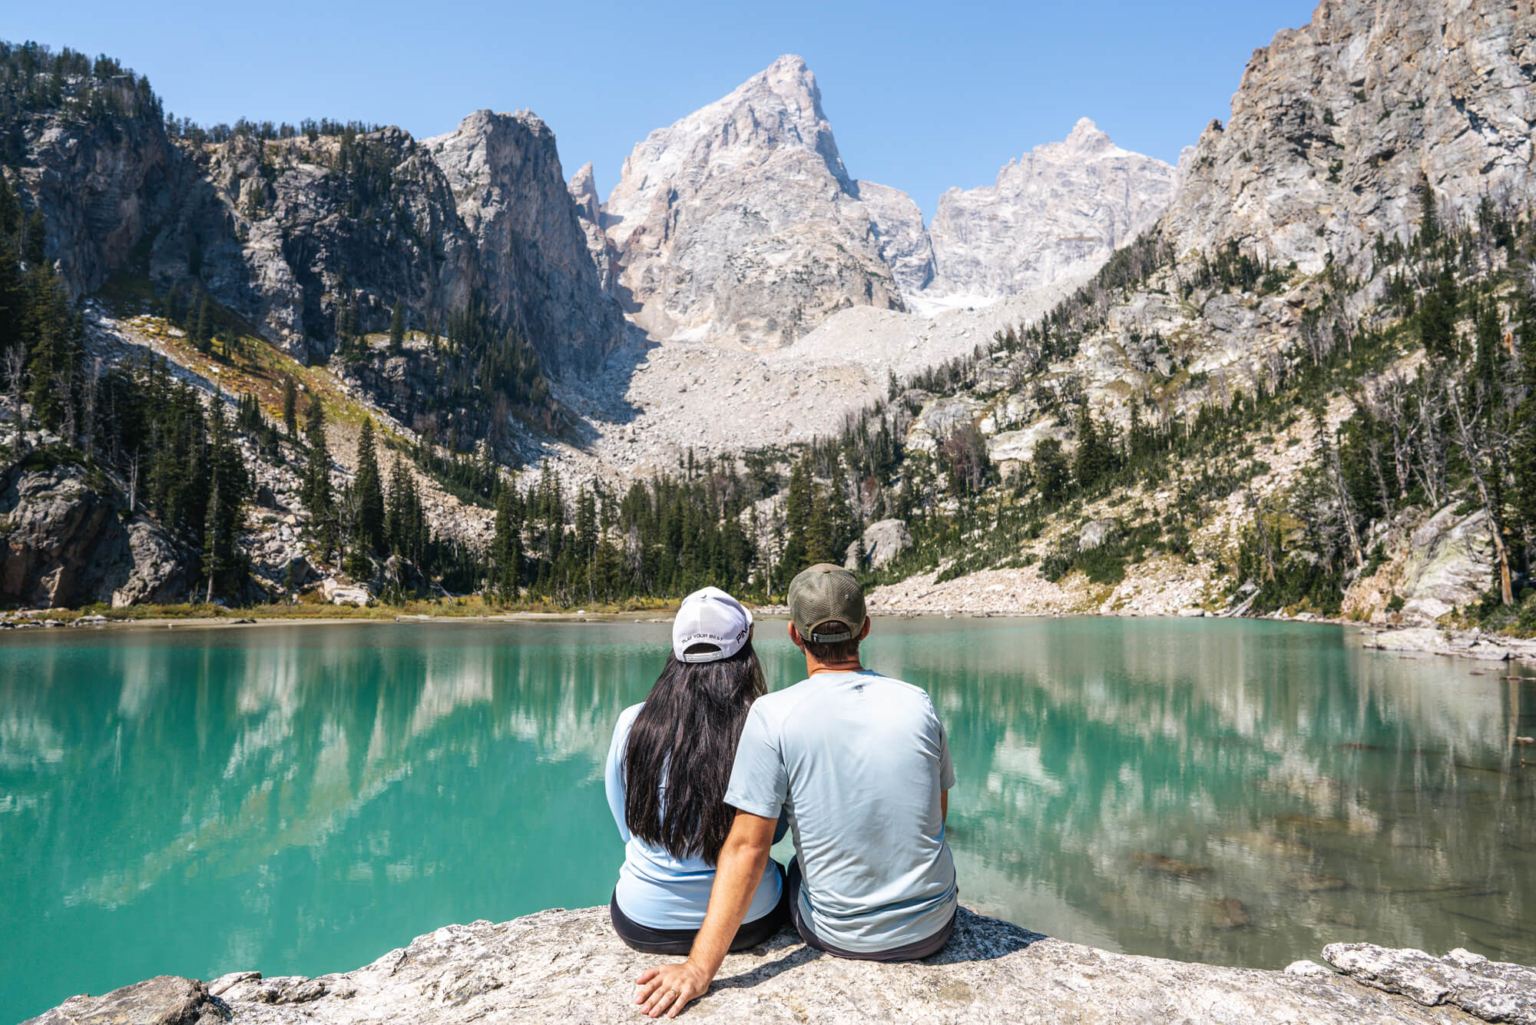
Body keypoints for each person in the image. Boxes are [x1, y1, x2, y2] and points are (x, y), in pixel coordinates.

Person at [634, 564, 957, 1018]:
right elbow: (935, 818)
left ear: (793, 634)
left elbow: (747, 847)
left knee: (792, 870)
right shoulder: (917, 701)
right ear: (865, 628)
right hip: (934, 927)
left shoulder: (774, 715)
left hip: (839, 935)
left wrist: (698, 968)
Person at [604, 586, 790, 955]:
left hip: (644, 920)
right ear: (746, 646)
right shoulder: (765, 723)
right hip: (748, 920)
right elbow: (774, 832)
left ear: (675, 651)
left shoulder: (632, 723)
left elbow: (627, 827)